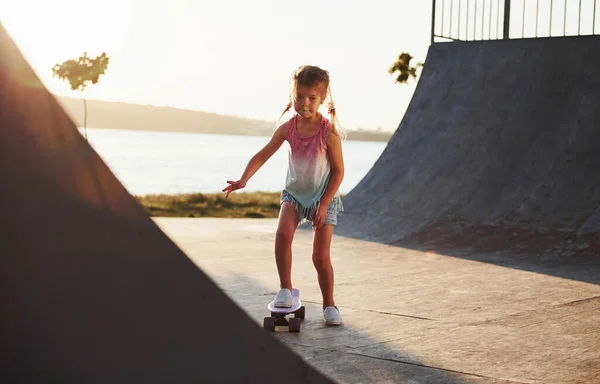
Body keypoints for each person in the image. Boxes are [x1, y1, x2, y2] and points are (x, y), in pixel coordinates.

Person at [222, 65, 345, 326]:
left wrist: (323, 205)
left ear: (322, 98)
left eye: (312, 98)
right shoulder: (288, 128)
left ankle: (329, 304)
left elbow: (338, 173)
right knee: (282, 235)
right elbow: (263, 154)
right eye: (299, 96)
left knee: (320, 257)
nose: (305, 103)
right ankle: (285, 289)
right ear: (292, 95)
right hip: (294, 195)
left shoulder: (328, 132)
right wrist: (244, 179)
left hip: (324, 197)